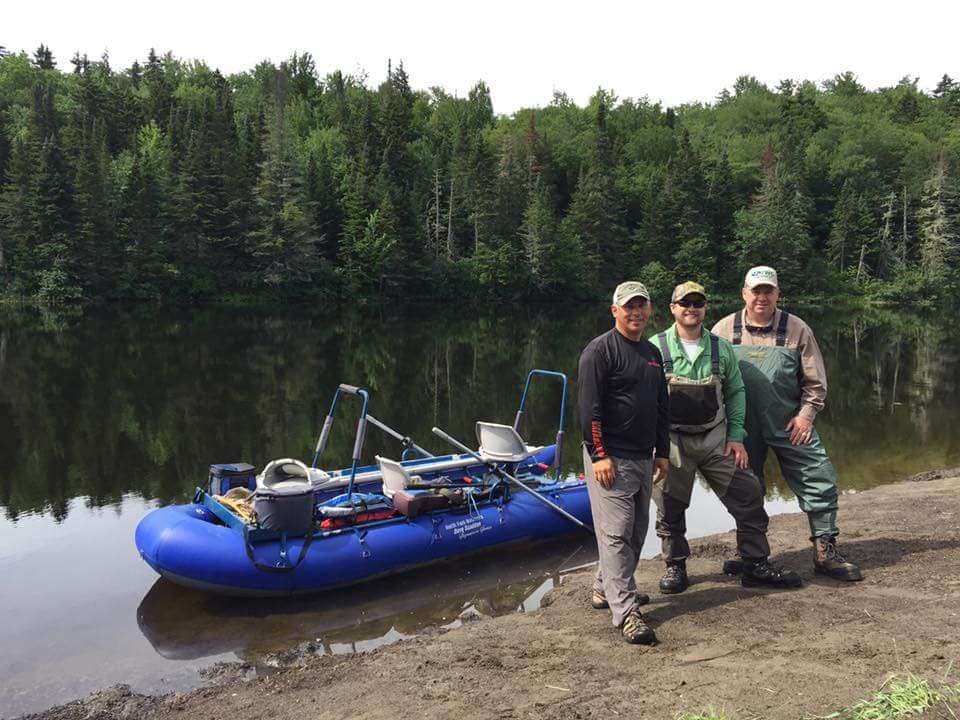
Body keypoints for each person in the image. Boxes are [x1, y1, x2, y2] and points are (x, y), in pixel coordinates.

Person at [711, 266, 862, 581]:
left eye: (769, 291)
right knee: (744, 486)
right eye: (756, 291)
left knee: (818, 475)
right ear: (744, 293)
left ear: (777, 293)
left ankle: (825, 550)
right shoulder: (723, 330)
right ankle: (750, 551)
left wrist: (806, 414)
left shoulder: (797, 328)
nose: (762, 297)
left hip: (789, 420)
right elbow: (711, 382)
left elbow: (815, 381)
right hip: (741, 425)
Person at [651, 281, 801, 594]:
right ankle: (675, 566)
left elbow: (736, 391)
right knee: (669, 506)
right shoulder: (654, 347)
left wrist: (736, 436)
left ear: (705, 307)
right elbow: (643, 400)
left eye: (698, 302)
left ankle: (755, 563)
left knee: (749, 493)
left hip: (715, 439)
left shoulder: (721, 348)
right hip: (672, 443)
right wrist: (653, 445)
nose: (692, 308)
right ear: (673, 308)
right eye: (685, 303)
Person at [578, 280, 669, 645]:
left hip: (643, 456)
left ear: (648, 310)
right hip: (610, 458)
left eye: (641, 305)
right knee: (616, 534)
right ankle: (627, 612)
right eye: (628, 306)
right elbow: (589, 409)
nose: (636, 312)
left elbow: (662, 407)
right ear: (614, 310)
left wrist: (662, 450)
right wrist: (599, 455)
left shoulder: (651, 353)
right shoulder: (599, 351)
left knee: (636, 530)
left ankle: (605, 588)